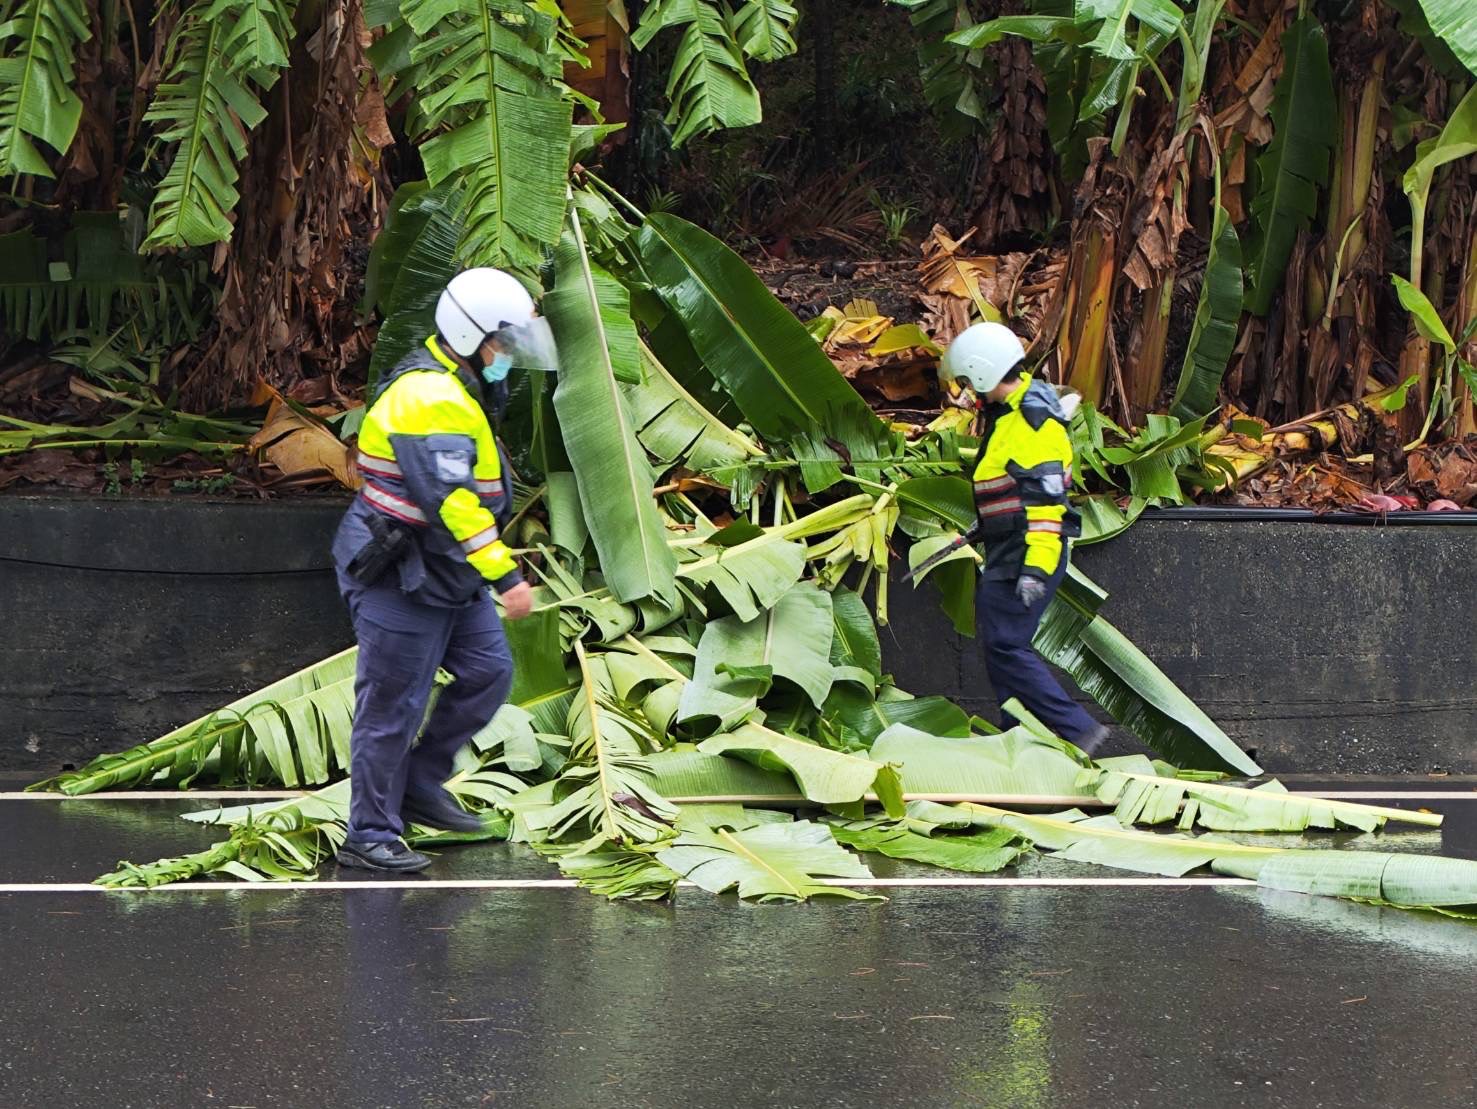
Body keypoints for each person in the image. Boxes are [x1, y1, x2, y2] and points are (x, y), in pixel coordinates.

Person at [329, 267, 558, 872]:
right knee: (392, 706)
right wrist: (506, 576)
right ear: (469, 336)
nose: (507, 354)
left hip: (445, 570)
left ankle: (419, 785)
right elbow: (452, 502)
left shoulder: (465, 384)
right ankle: (370, 834)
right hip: (400, 573)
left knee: (489, 673)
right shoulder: (429, 397)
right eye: (502, 342)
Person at [941, 322, 1110, 754]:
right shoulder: (1010, 413)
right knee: (999, 647)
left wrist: (1036, 566)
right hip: (1007, 547)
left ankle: (1078, 730)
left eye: (966, 381)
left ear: (982, 371)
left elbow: (1048, 505)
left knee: (1008, 646)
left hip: (1028, 552)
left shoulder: (1034, 423)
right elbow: (1010, 484)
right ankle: (1015, 735)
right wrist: (987, 525)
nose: (964, 392)